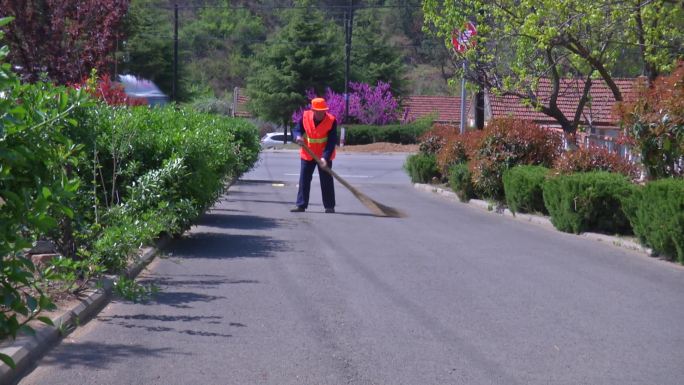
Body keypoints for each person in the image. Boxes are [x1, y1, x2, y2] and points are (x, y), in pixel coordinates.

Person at [290, 97, 338, 213]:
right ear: (313, 110)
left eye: (323, 111)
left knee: (326, 180)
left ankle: (329, 206)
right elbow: (296, 130)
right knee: (304, 180)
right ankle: (301, 205)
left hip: (323, 156)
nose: (321, 113)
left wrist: (325, 158)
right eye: (318, 111)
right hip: (308, 154)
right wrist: (297, 136)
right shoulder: (305, 117)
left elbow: (331, 142)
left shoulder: (331, 121)